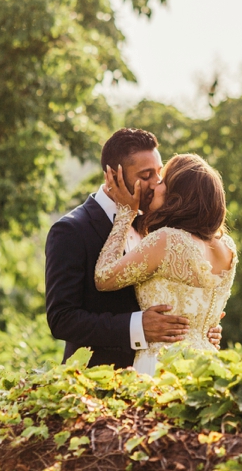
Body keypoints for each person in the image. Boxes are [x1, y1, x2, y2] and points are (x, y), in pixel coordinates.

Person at [45, 128, 222, 368]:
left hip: (162, 372)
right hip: (98, 380)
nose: (157, 183)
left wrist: (202, 328)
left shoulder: (159, 225)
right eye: (146, 175)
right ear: (113, 175)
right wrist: (136, 327)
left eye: (159, 173)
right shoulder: (71, 230)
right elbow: (62, 319)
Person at [95, 153, 237, 375]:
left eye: (162, 182)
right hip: (208, 366)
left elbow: (103, 277)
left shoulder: (167, 240)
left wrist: (126, 214)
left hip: (164, 365)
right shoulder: (227, 247)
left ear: (175, 196)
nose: (155, 186)